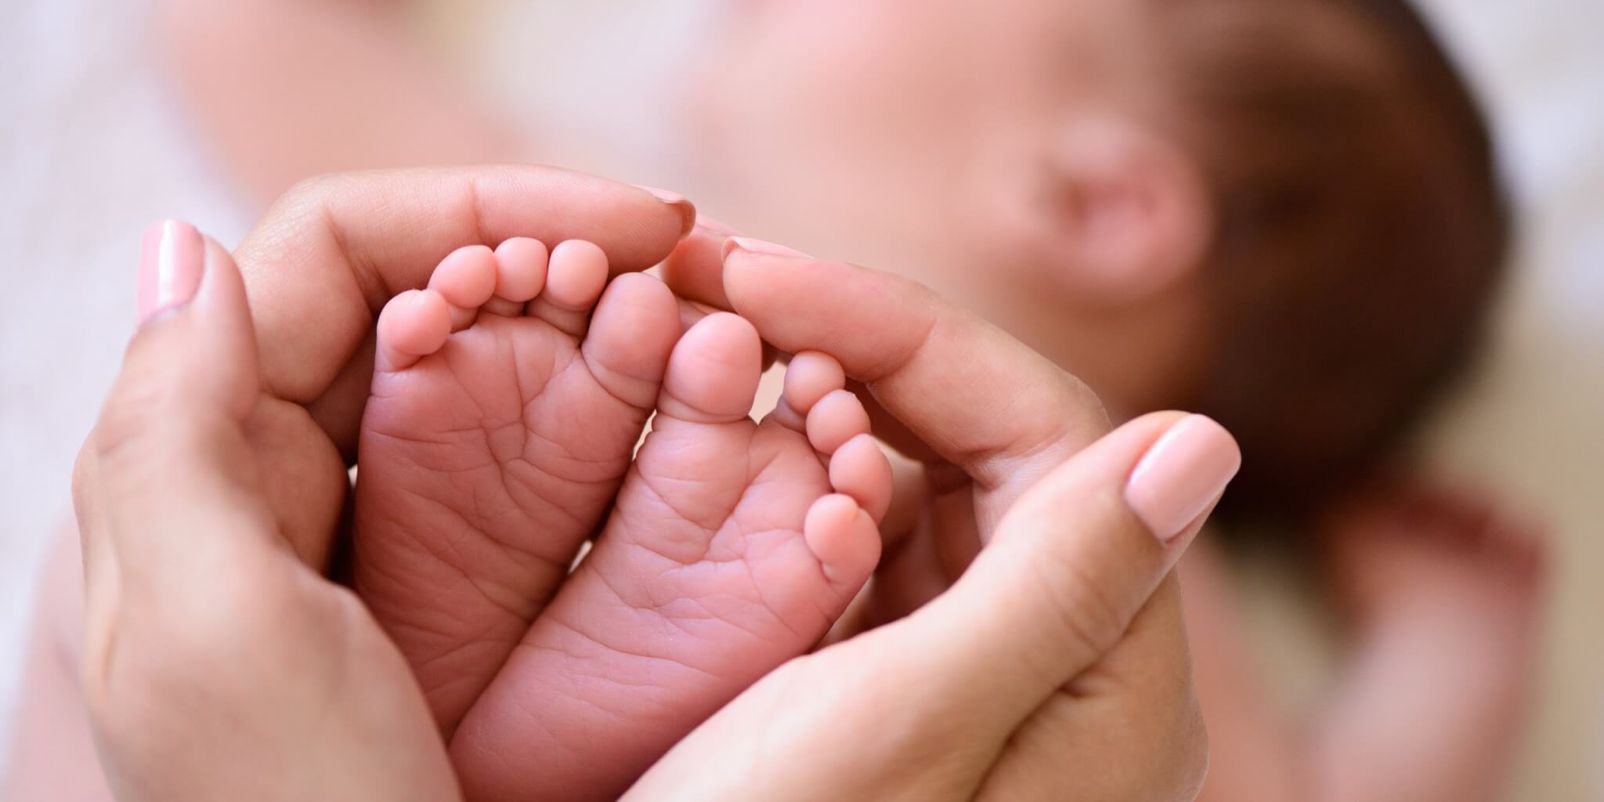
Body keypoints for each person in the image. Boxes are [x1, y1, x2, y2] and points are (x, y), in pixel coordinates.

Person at [150, 0, 1541, 797]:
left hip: (299, 726)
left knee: (172, 548)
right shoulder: (1135, 569)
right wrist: (1448, 658)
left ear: (1096, 200)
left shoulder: (642, 250)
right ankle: (555, 698)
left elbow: (331, 126)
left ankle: (498, 667)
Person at [9, 166, 1238, 800]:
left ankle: (414, 706)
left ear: (1099, 202)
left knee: (137, 580)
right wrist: (1433, 649)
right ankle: (532, 751)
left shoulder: (660, 232)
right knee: (157, 589)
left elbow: (287, 59)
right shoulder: (1160, 620)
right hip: (816, 716)